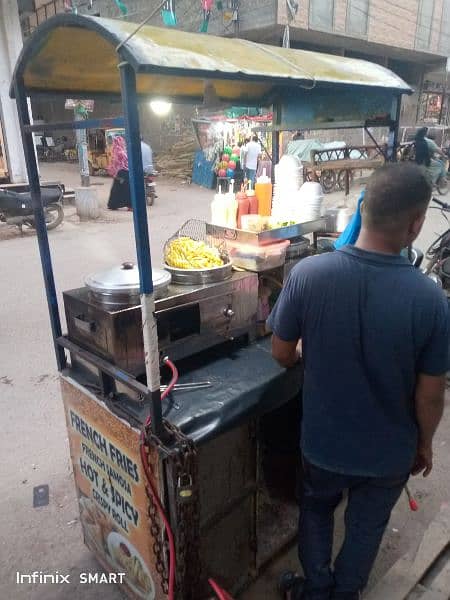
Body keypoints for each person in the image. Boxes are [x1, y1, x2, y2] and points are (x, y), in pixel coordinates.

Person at [268, 163, 448, 600]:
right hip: (388, 453)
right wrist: (423, 444)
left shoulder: (309, 274)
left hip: (323, 445)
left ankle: (316, 588)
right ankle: (346, 594)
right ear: (416, 224)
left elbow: (280, 352)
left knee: (316, 510)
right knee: (367, 526)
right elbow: (431, 392)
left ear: (362, 209)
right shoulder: (431, 301)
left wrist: (308, 355)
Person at [107, 136, 132, 210]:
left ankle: (113, 205)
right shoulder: (123, 151)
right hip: (125, 172)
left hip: (120, 172)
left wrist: (113, 172)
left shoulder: (116, 151)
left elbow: (114, 163)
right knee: (126, 189)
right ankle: (129, 206)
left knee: (116, 190)